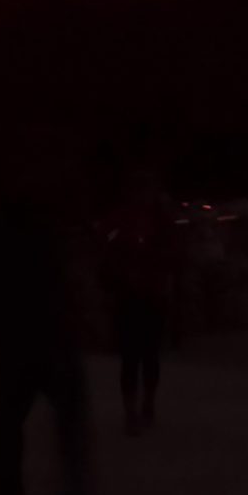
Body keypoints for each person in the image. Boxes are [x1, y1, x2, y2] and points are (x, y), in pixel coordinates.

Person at [0, 135, 94, 495]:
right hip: (36, 328)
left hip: (26, 329)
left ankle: (10, 490)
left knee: (15, 414)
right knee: (35, 412)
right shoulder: (20, 216)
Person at [97, 167, 180, 436]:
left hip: (152, 293)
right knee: (131, 357)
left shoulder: (161, 219)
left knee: (150, 354)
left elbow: (172, 252)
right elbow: (106, 247)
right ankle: (132, 409)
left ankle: (148, 403)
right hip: (129, 295)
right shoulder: (120, 218)